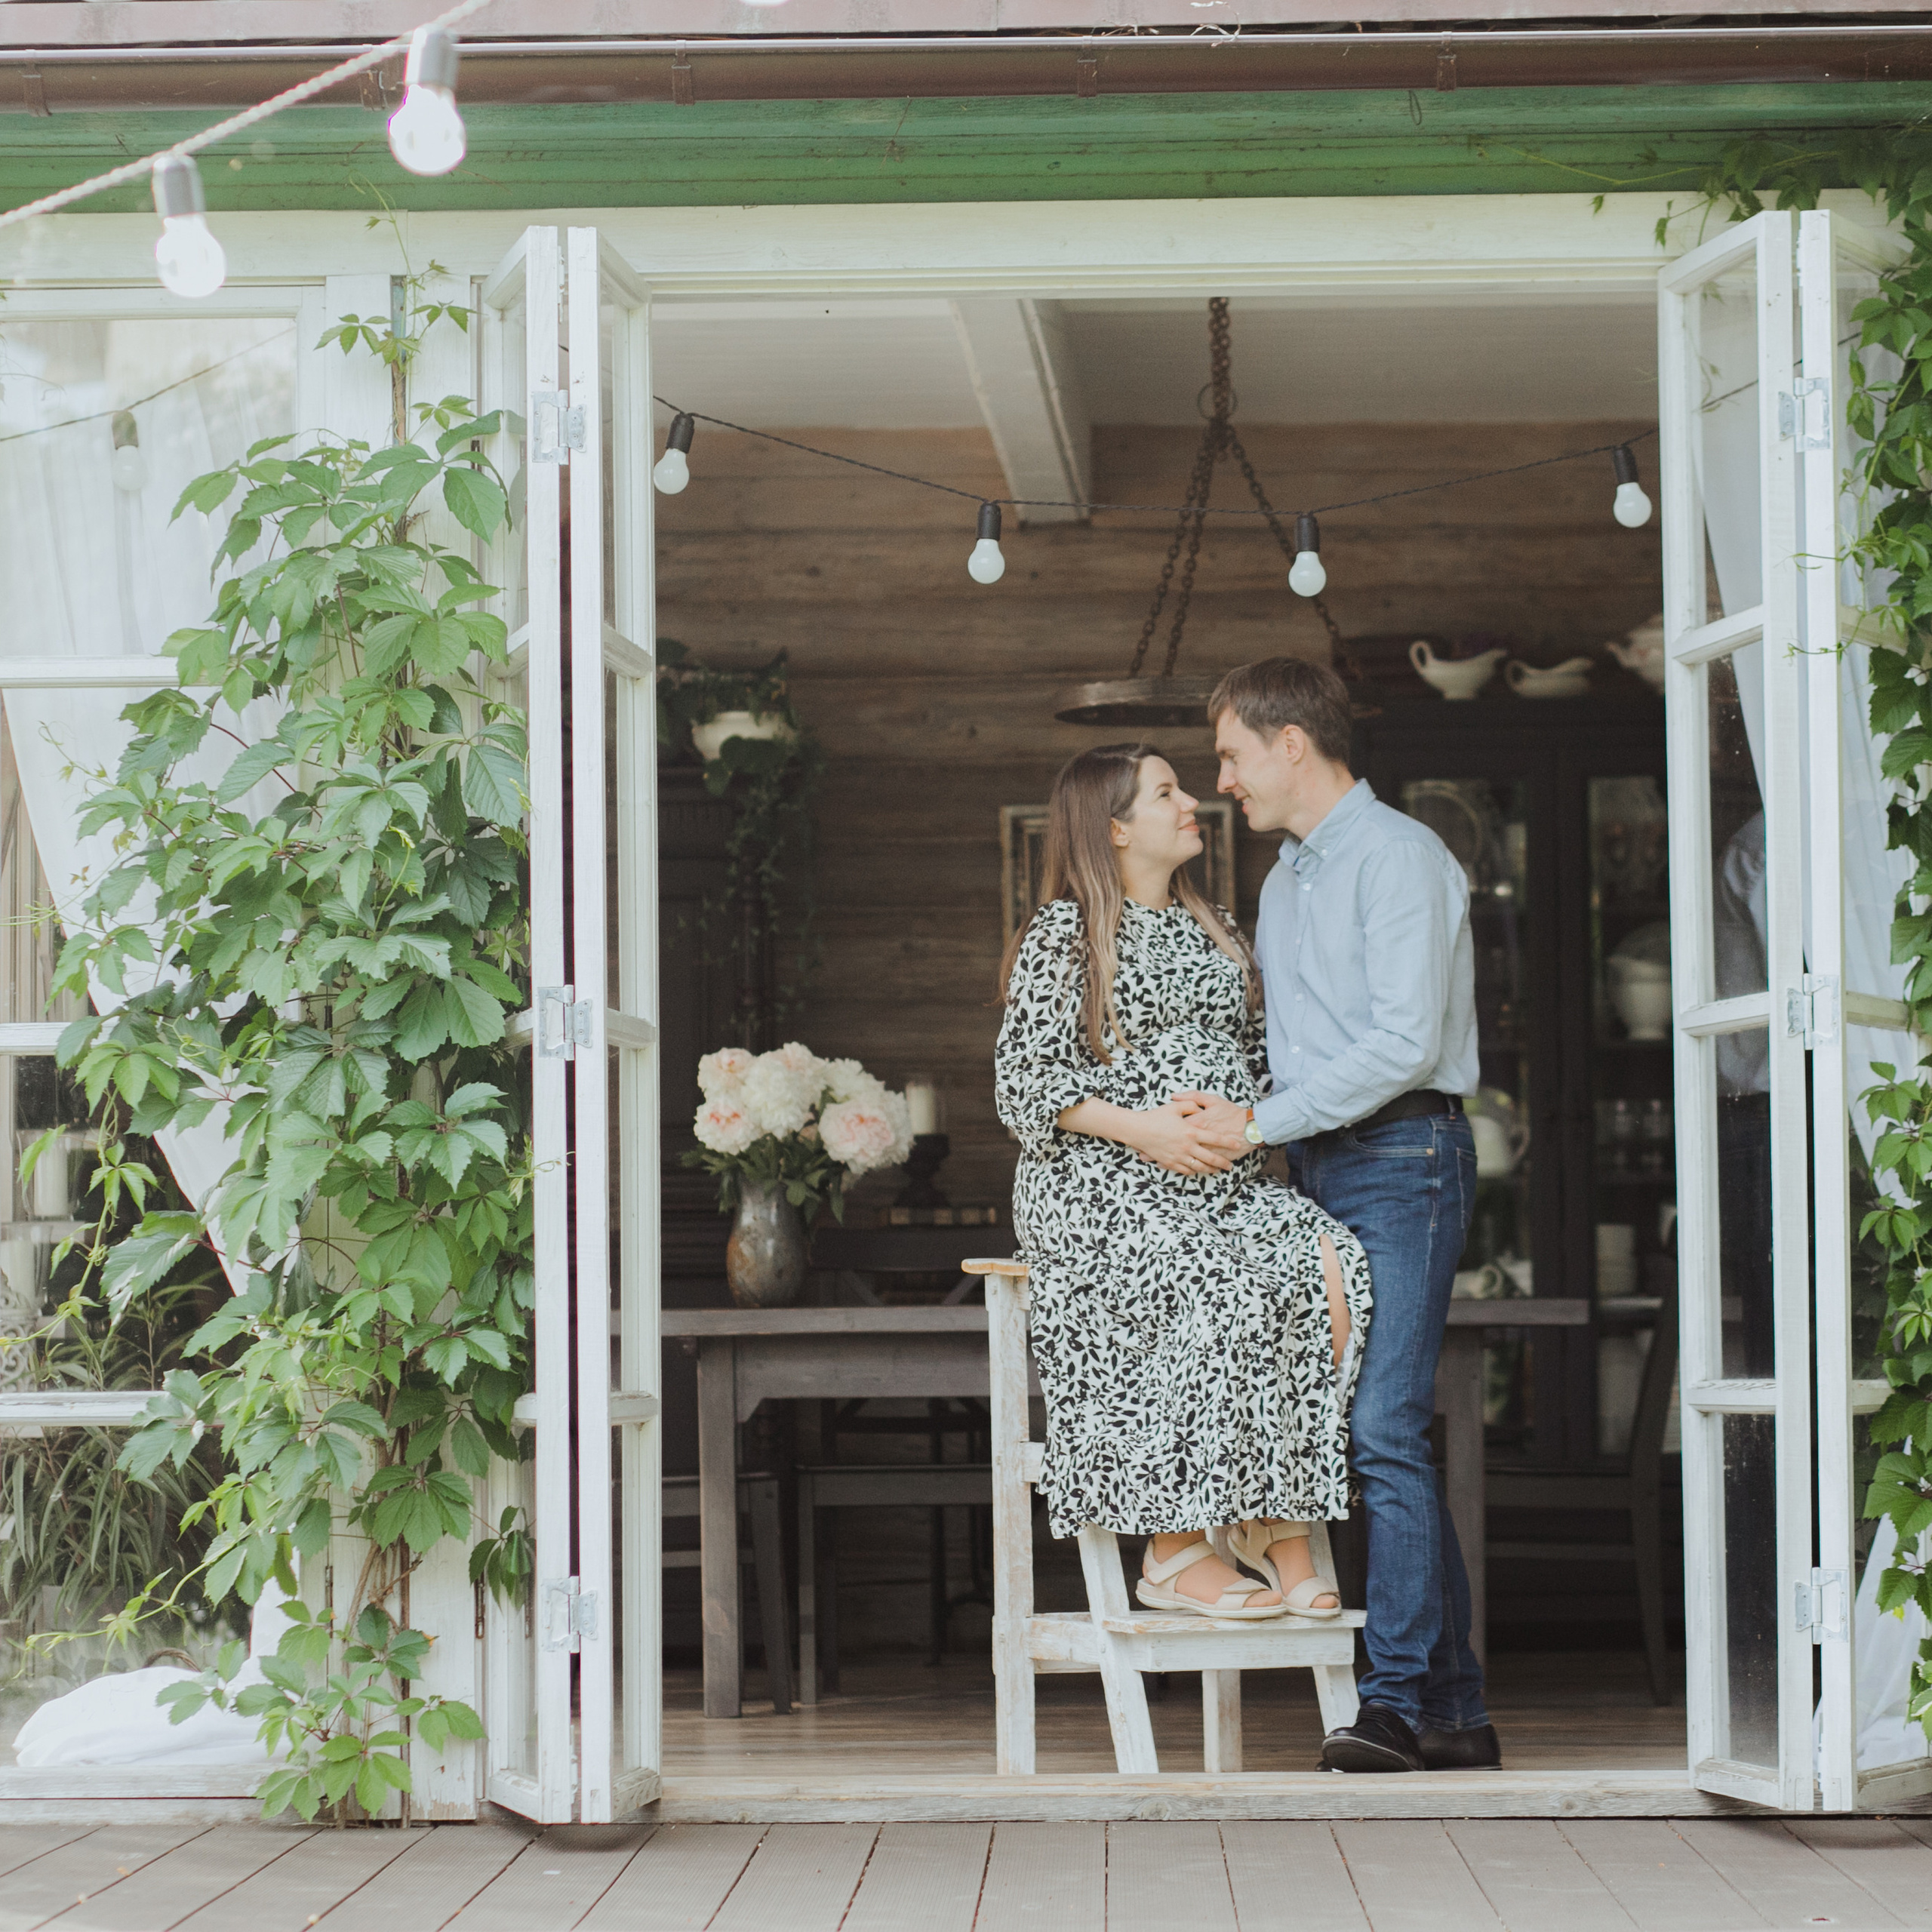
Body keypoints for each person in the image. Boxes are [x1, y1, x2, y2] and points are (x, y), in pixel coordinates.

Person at [1180, 656, 1496, 1774]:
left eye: (1230, 754)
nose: (1223, 779)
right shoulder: (1280, 881)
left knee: (1382, 1430)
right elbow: (1294, 1047)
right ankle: (1456, 1711)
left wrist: (1262, 1122)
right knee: (1368, 1432)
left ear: (1293, 744)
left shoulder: (1402, 858)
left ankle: (1398, 1704)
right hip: (1312, 1163)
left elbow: (1407, 1041)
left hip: (1404, 1155)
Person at [995, 741, 1372, 1625]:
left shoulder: (1219, 927)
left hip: (1222, 1179)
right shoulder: (1067, 929)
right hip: (1102, 1184)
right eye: (1168, 792)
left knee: (1329, 1269)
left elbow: (1256, 1063)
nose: (1192, 800)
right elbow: (1024, 1084)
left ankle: (1268, 1517)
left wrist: (1238, 1125)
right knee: (1215, 1278)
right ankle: (1171, 1550)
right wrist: (1150, 1131)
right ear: (1116, 826)